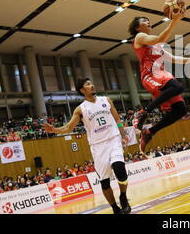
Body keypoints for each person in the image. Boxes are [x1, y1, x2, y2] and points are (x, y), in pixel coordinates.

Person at [44, 78, 132, 214]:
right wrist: (54, 130)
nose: (91, 85)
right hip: (98, 146)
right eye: (88, 84)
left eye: (91, 83)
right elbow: (68, 127)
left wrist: (122, 133)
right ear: (82, 90)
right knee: (105, 182)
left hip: (113, 139)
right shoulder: (81, 109)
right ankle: (115, 207)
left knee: (120, 169)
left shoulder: (106, 100)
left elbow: (117, 119)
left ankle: (123, 197)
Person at [128, 9, 190, 151]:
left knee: (181, 110)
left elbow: (173, 58)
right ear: (137, 27)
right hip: (150, 76)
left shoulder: (157, 46)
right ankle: (143, 112)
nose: (148, 22)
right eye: (144, 21)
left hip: (162, 74)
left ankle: (150, 132)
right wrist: (174, 21)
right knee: (178, 87)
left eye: (148, 20)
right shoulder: (140, 37)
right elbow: (159, 38)